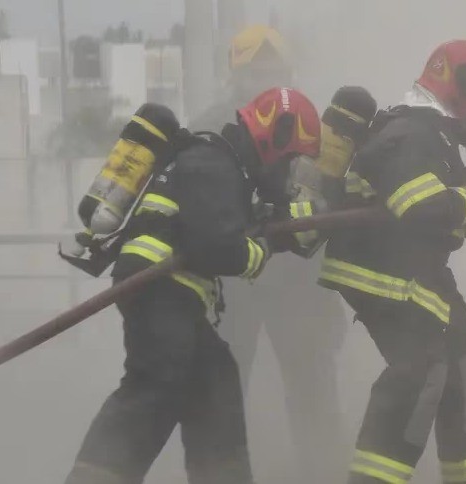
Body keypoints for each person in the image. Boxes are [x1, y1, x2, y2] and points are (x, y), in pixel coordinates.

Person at [64, 87, 322, 484]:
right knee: (155, 383)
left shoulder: (224, 169)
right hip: (160, 287)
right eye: (291, 160)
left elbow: (223, 226)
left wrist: (276, 228)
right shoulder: (213, 161)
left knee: (214, 381)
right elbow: (217, 247)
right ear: (277, 136)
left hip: (174, 292)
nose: (289, 174)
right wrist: (263, 248)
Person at [319, 40, 466, 484]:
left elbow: (447, 220)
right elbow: (420, 209)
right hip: (382, 272)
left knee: (464, 353)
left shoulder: (435, 141)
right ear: (459, 93)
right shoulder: (410, 135)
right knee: (421, 368)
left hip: (415, 268)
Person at [191, 25, 358, 482]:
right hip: (233, 281)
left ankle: (321, 469)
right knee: (224, 385)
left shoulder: (314, 126)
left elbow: (332, 198)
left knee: (312, 384)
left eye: (275, 69)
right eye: (256, 70)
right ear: (235, 75)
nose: (266, 79)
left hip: (299, 282)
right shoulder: (208, 128)